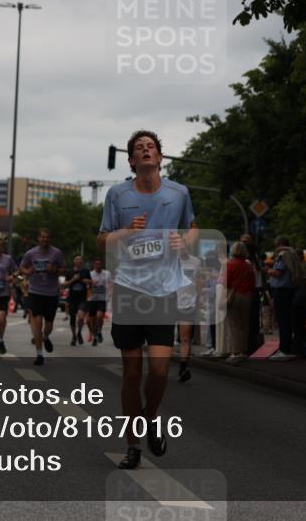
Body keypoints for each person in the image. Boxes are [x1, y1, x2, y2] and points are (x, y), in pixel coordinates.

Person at [98, 130, 197, 469]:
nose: (145, 150)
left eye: (150, 147)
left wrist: (185, 241)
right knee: (131, 374)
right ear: (130, 160)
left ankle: (150, 416)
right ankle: (133, 446)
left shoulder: (179, 193)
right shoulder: (117, 194)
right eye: (139, 148)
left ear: (159, 157)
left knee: (158, 370)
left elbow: (192, 227)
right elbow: (102, 240)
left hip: (163, 290)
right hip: (128, 288)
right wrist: (127, 232)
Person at [19, 229, 65, 364]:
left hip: (51, 293)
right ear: (38, 238)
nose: (45, 239)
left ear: (50, 239)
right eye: (42, 237)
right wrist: (28, 271)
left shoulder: (57, 253)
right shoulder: (31, 253)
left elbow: (64, 269)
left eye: (47, 237)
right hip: (36, 292)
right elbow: (22, 267)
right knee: (37, 324)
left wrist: (54, 269)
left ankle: (46, 336)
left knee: (49, 325)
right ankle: (39, 355)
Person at [268, 235, 305, 361]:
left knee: (283, 321)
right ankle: (289, 348)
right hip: (290, 291)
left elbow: (278, 272)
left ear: (279, 244)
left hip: (281, 291)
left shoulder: (282, 254)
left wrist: (267, 271)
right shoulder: (292, 254)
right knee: (288, 321)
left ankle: (284, 350)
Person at [221, 242, 256, 363]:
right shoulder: (248, 266)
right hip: (246, 296)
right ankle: (243, 352)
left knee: (233, 325)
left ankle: (235, 352)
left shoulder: (230, 264)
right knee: (244, 326)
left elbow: (225, 282)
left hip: (233, 296)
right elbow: (253, 283)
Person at [175, 249, 203, 382]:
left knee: (185, 338)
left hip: (188, 304)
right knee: (165, 340)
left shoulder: (196, 262)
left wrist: (199, 298)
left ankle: (183, 368)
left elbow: (199, 281)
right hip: (170, 304)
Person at [63, 255, 92, 346]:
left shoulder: (86, 271)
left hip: (82, 298)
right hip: (72, 298)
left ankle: (79, 332)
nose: (79, 261)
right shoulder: (69, 271)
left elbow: (91, 282)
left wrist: (87, 281)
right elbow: (65, 284)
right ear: (74, 262)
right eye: (77, 259)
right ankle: (74, 336)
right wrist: (73, 279)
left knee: (81, 317)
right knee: (72, 318)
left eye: (81, 260)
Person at [87, 258, 111, 345]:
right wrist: (91, 283)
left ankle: (99, 330)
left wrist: (110, 293)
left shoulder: (107, 273)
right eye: (96, 264)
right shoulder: (90, 274)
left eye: (99, 264)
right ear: (94, 265)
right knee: (92, 320)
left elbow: (110, 284)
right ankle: (95, 336)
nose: (98, 265)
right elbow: (87, 286)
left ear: (102, 264)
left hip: (103, 299)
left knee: (99, 316)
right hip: (93, 299)